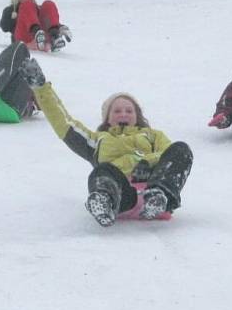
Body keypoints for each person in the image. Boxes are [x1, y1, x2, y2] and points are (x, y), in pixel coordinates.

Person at [19, 57, 193, 227]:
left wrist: (147, 161)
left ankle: (158, 196)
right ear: (107, 118)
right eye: (117, 111)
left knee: (181, 149)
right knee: (102, 170)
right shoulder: (97, 141)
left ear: (137, 115)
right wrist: (41, 88)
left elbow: (168, 153)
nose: (123, 114)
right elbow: (64, 123)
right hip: (124, 197)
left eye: (129, 110)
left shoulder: (153, 136)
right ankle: (104, 202)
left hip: (153, 189)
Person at [0, 0, 72, 51]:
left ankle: (54, 36)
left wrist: (59, 26)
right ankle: (37, 33)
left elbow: (48, 20)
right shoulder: (12, 10)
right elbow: (4, 27)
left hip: (43, 38)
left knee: (48, 4)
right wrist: (13, 13)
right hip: (24, 40)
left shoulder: (37, 8)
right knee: (26, 5)